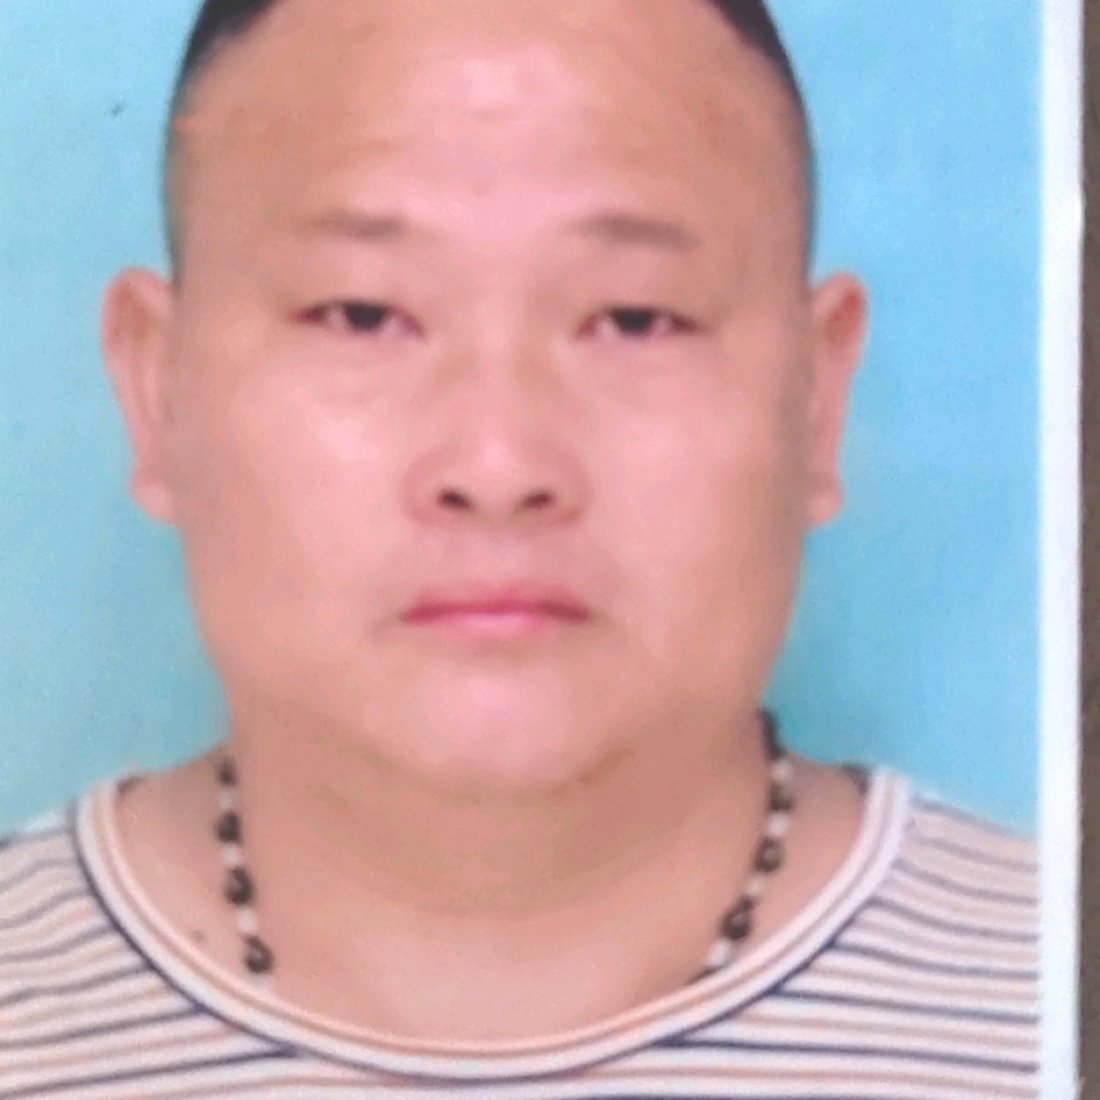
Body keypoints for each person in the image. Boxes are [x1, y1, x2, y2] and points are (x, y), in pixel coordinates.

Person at [0, 0, 1038, 1096]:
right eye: (361, 313)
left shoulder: (1051, 998)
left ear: (816, 397)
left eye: (634, 318)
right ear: (156, 390)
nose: (497, 465)